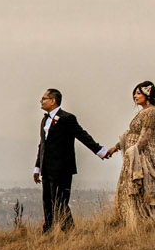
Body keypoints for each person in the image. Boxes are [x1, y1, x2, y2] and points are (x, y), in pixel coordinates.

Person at [99, 81, 155, 226]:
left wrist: (136, 152)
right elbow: (131, 133)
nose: (135, 96)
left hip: (142, 155)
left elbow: (145, 136)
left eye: (138, 93)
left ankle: (147, 220)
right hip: (133, 155)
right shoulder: (142, 112)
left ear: (147, 95)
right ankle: (134, 220)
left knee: (146, 186)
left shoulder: (151, 112)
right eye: (135, 93)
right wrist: (115, 147)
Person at [33, 88, 104, 233]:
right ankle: (48, 231)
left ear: (53, 101)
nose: (41, 101)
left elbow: (81, 135)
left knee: (60, 202)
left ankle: (70, 232)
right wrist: (37, 167)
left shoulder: (67, 118)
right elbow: (42, 144)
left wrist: (99, 151)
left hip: (62, 168)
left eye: (44, 98)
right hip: (47, 168)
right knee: (47, 201)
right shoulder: (44, 120)